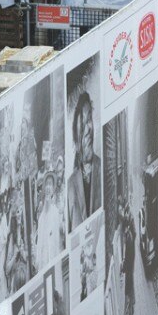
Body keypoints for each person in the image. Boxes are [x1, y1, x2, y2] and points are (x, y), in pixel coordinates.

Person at [68, 92, 101, 231]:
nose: (88, 129)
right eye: (83, 124)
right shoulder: (71, 185)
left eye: (89, 120)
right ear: (76, 142)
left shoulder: (103, 169)